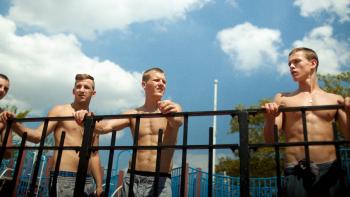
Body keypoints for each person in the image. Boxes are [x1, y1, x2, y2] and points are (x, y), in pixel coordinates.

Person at [74, 67, 183, 196]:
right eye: (156, 80)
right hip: (132, 179)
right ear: (144, 84)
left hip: (160, 180)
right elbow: (105, 127)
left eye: (164, 82)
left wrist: (171, 114)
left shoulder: (173, 108)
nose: (161, 84)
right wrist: (86, 119)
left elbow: (178, 121)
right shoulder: (133, 113)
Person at [263, 47, 350, 197]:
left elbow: (349, 137)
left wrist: (349, 112)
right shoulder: (283, 99)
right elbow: (270, 141)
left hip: (330, 171)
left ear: (313, 63)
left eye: (296, 61)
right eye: (289, 63)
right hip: (295, 170)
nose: (291, 66)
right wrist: (270, 117)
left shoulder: (336, 99)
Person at [0, 74, 103, 196]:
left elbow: (94, 155)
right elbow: (37, 136)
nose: (81, 90)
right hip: (64, 176)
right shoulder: (60, 111)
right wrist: (14, 123)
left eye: (86, 87)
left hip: (88, 180)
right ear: (73, 91)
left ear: (93, 93)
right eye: (78, 86)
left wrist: (100, 186)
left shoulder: (93, 119)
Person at [0, 73, 13, 159]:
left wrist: (8, 123)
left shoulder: (3, 115)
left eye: (6, 89)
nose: (2, 90)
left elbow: (8, 153)